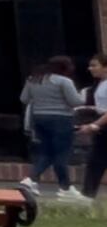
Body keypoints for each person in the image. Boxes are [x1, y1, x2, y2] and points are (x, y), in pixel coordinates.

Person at [21, 56, 84, 199]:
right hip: (61, 118)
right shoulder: (64, 81)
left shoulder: (33, 79)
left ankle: (30, 180)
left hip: (39, 118)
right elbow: (75, 101)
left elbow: (24, 99)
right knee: (61, 153)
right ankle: (65, 188)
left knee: (46, 152)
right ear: (65, 67)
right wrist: (84, 97)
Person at [75, 53, 107, 205]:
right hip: (102, 127)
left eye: (94, 65)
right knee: (96, 160)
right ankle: (87, 194)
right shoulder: (100, 84)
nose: (90, 68)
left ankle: (87, 194)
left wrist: (95, 125)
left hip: (103, 125)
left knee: (96, 159)